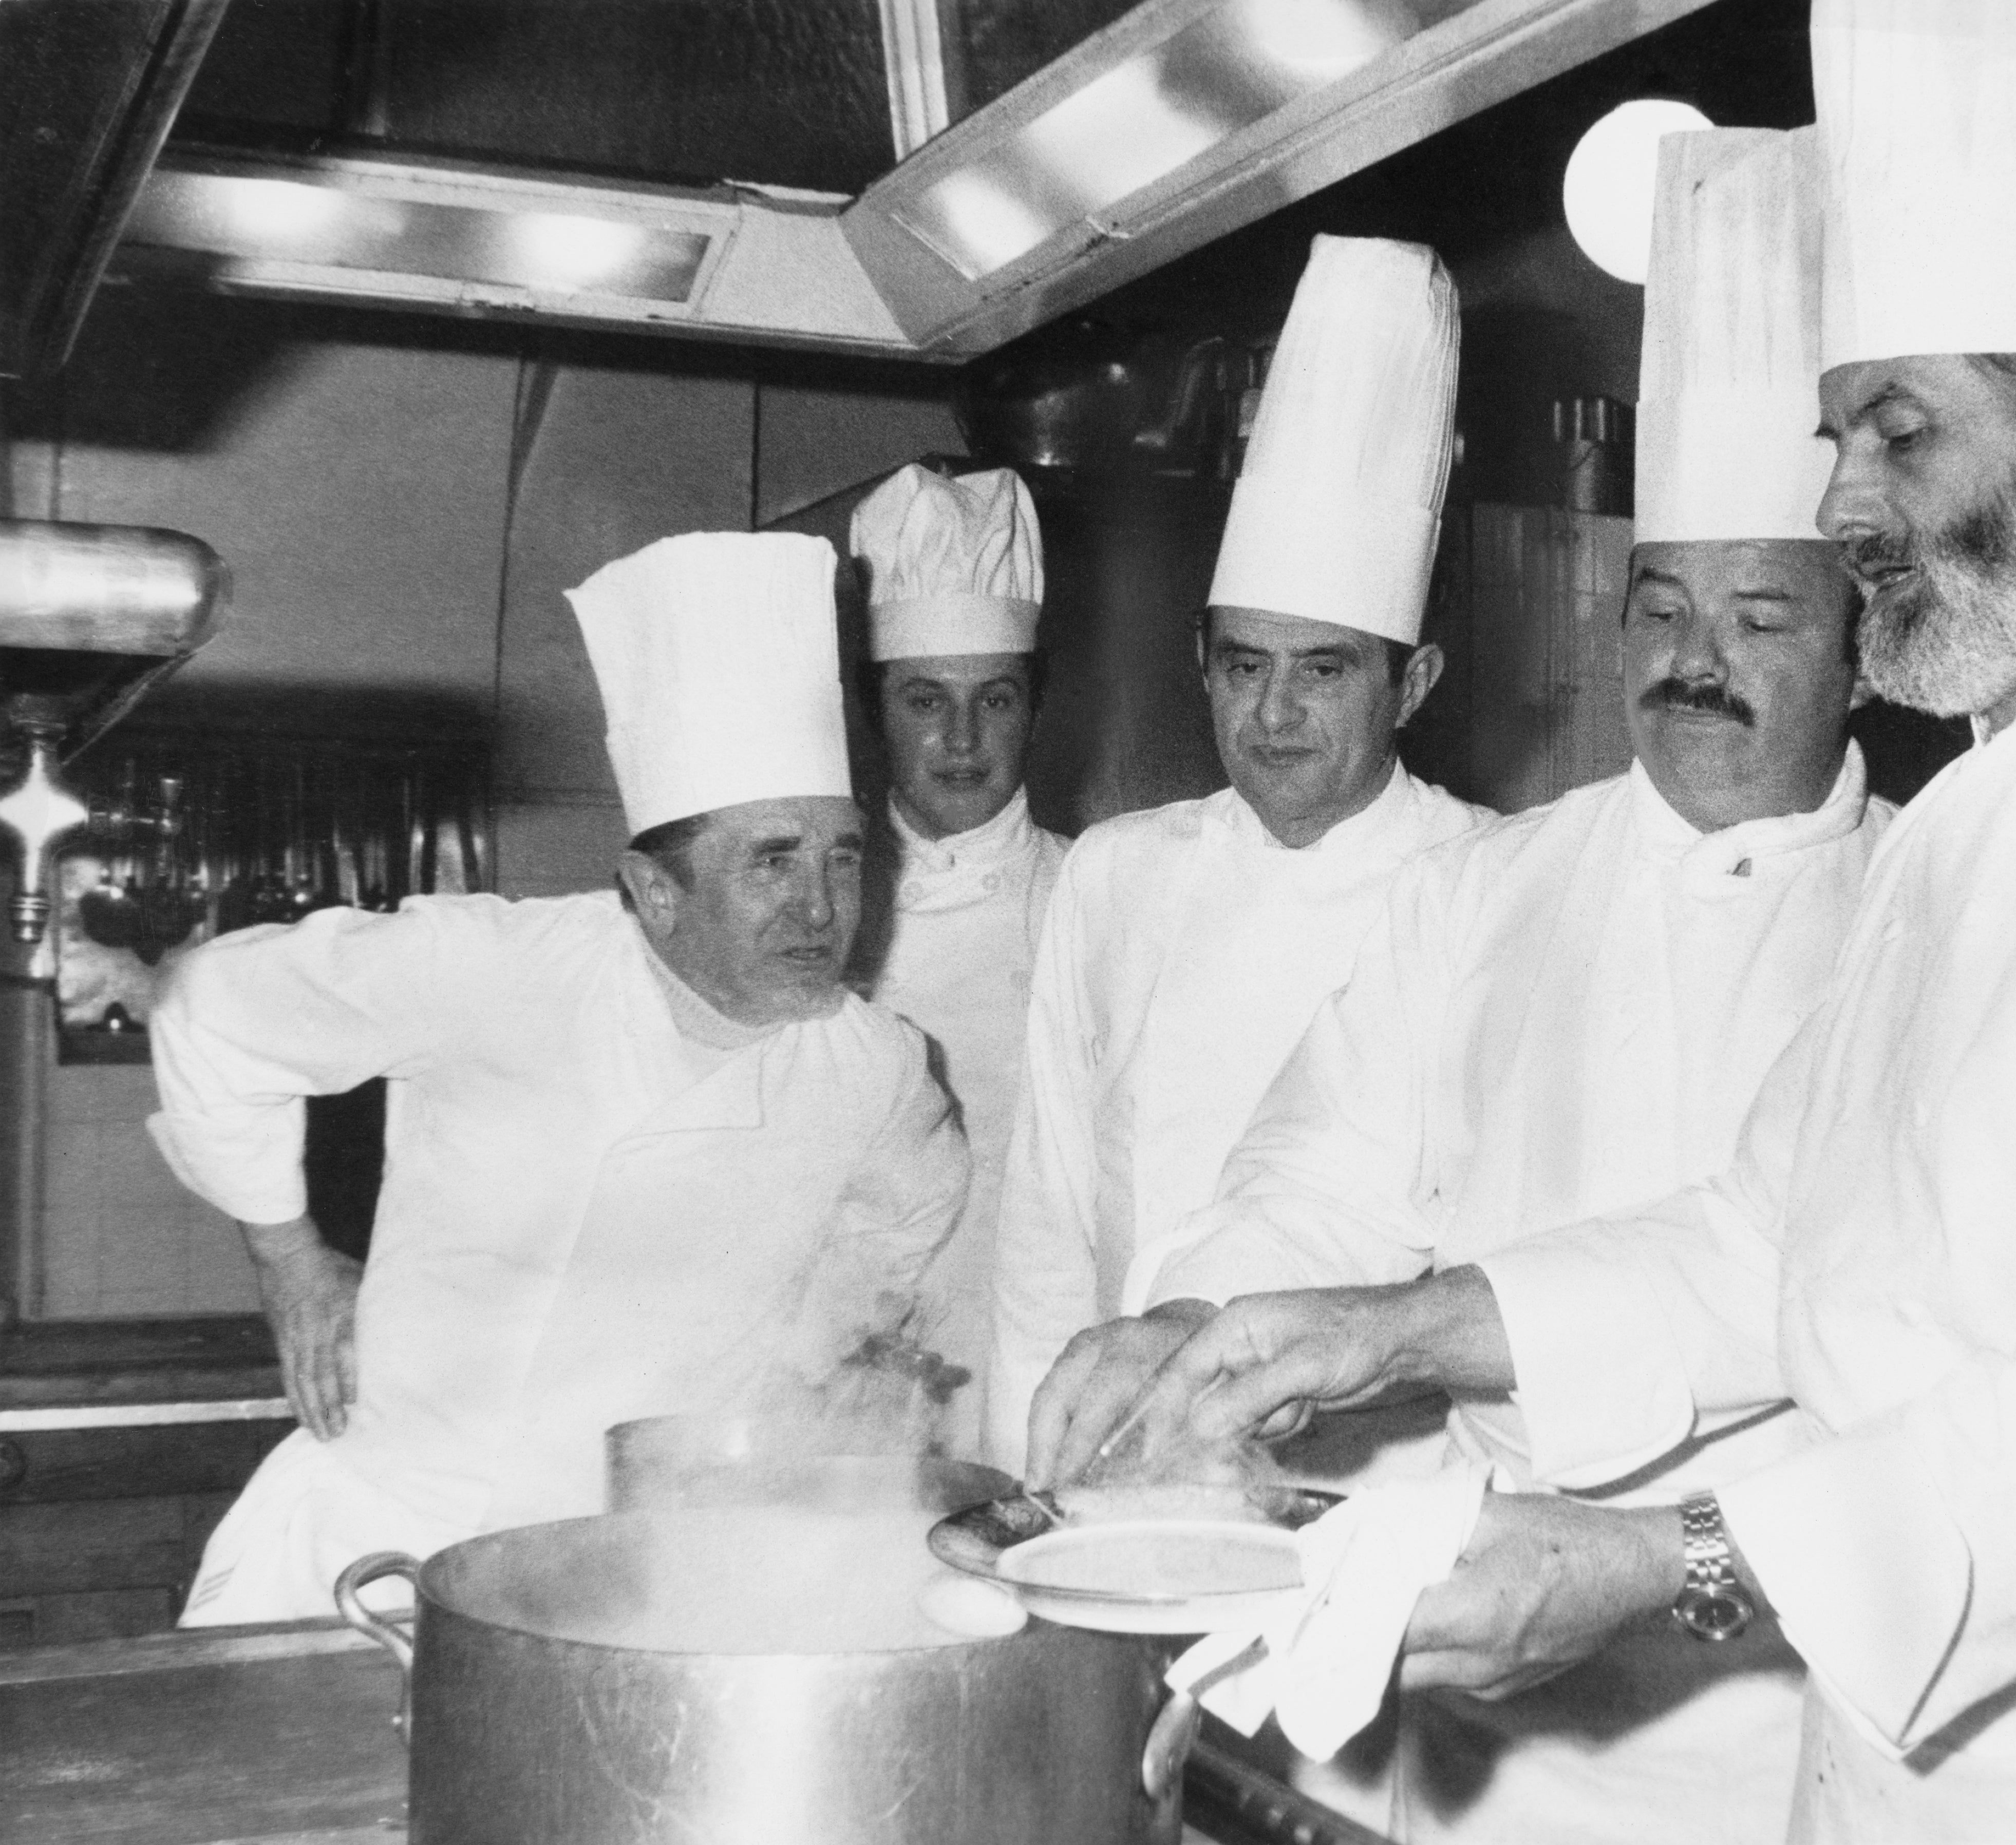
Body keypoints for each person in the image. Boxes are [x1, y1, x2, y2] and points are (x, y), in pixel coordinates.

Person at [1111, 3, 2016, 1837]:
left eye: (1895, 434)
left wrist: (1657, 1562)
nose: (1840, 508)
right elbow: (1772, 1233)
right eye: (1838, 438)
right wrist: (1392, 1327)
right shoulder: (1972, 822)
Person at [1032, 129, 1883, 1845]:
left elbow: (1802, 1285)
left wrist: (1402, 1338)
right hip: (1477, 1679)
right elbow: (1323, 1158)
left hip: (1792, 1685)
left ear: (1867, 637)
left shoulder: (1924, 909)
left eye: (1761, 618)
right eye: (1656, 606)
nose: (1690, 664)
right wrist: (1199, 1321)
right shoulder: (1501, 883)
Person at [152, 532, 968, 1624]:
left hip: (643, 1579)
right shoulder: (496, 970)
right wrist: (289, 1257)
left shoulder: (870, 1067)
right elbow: (211, 1006)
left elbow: (909, 1209)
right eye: (772, 861)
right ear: (653, 888)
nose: (821, 911)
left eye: (842, 856)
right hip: (381, 1561)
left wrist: (826, 1359)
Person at [982, 235, 1490, 1474]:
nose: (1272, 717)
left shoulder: (1488, 886)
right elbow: (1047, 1216)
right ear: (1199, 665)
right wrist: (1022, 1488)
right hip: (1114, 1467)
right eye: (1243, 665)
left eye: (1322, 671)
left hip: (1372, 1495)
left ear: (1410, 682)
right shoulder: (1115, 872)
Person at [850, 462, 1071, 1456]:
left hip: (1050, 1354)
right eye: (924, 701)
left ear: (1034, 706)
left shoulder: (1096, 894)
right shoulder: (826, 912)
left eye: (996, 699)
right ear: (874, 711)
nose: (962, 739)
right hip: (851, 1368)